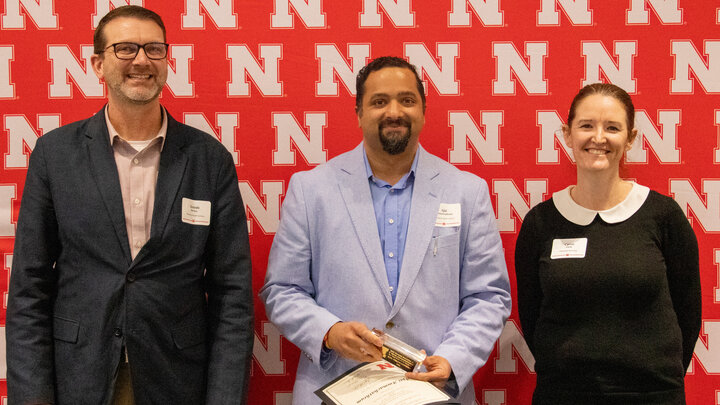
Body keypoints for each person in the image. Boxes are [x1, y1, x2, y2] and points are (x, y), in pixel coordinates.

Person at [6, 5, 253, 405]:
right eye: (125, 49)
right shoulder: (55, 155)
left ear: (167, 60)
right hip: (80, 376)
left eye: (154, 49)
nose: (142, 60)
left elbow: (232, 295)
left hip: (177, 378)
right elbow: (29, 290)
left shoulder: (209, 159)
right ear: (98, 64)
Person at [259, 56, 512, 404]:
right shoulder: (311, 189)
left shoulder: (466, 191)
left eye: (407, 100)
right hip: (336, 389)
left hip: (432, 391)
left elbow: (488, 296)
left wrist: (454, 359)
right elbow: (282, 289)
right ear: (359, 113)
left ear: (423, 111)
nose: (394, 111)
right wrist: (329, 333)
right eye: (379, 102)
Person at [515, 83, 701, 405]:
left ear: (629, 138)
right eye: (586, 125)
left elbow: (688, 312)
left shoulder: (663, 216)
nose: (598, 138)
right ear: (567, 134)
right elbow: (531, 315)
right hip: (562, 395)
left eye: (612, 128)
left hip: (652, 395)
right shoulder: (540, 223)